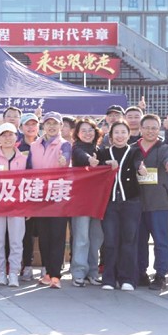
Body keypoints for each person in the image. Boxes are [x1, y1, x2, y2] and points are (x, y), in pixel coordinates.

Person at [95, 121, 143, 291]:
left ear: (129, 135)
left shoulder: (135, 151)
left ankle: (127, 279)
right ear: (111, 135)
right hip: (109, 203)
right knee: (110, 241)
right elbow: (95, 170)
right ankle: (109, 279)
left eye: (123, 132)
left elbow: (138, 163)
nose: (120, 136)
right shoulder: (103, 152)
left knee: (128, 241)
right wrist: (104, 165)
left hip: (131, 202)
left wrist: (141, 169)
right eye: (116, 132)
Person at [28, 111, 71, 289]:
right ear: (43, 125)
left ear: (61, 126)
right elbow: (28, 169)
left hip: (58, 197)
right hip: (39, 196)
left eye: (55, 123)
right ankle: (47, 272)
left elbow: (66, 157)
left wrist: (63, 160)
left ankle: (55, 275)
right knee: (44, 237)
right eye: (48, 123)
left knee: (57, 236)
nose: (51, 127)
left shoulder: (64, 144)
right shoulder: (34, 145)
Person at [0, 122, 28, 287]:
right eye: (4, 135)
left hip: (17, 205)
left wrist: (28, 206)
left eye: (11, 135)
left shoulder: (24, 158)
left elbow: (30, 182)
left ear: (16, 137)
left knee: (16, 241)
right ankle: (1, 272)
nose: (7, 138)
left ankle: (13, 273)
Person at [133, 114, 168, 291]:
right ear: (141, 129)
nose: (150, 131)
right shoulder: (132, 149)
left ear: (159, 129)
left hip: (159, 204)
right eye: (147, 127)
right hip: (136, 204)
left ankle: (160, 274)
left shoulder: (164, 148)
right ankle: (141, 273)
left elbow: (167, 160)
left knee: (161, 240)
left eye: (154, 128)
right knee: (139, 241)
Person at [69, 118, 104, 287]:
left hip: (97, 201)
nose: (87, 133)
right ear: (77, 133)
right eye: (83, 130)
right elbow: (82, 156)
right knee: (81, 237)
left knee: (96, 238)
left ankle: (93, 272)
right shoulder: (76, 149)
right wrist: (90, 160)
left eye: (90, 130)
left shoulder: (101, 150)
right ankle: (78, 272)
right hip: (80, 201)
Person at [18, 112, 41, 280]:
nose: (31, 127)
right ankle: (26, 265)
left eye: (34, 124)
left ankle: (47, 267)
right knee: (26, 234)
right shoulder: (17, 146)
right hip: (23, 195)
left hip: (44, 193)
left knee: (43, 232)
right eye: (27, 124)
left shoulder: (45, 144)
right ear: (21, 128)